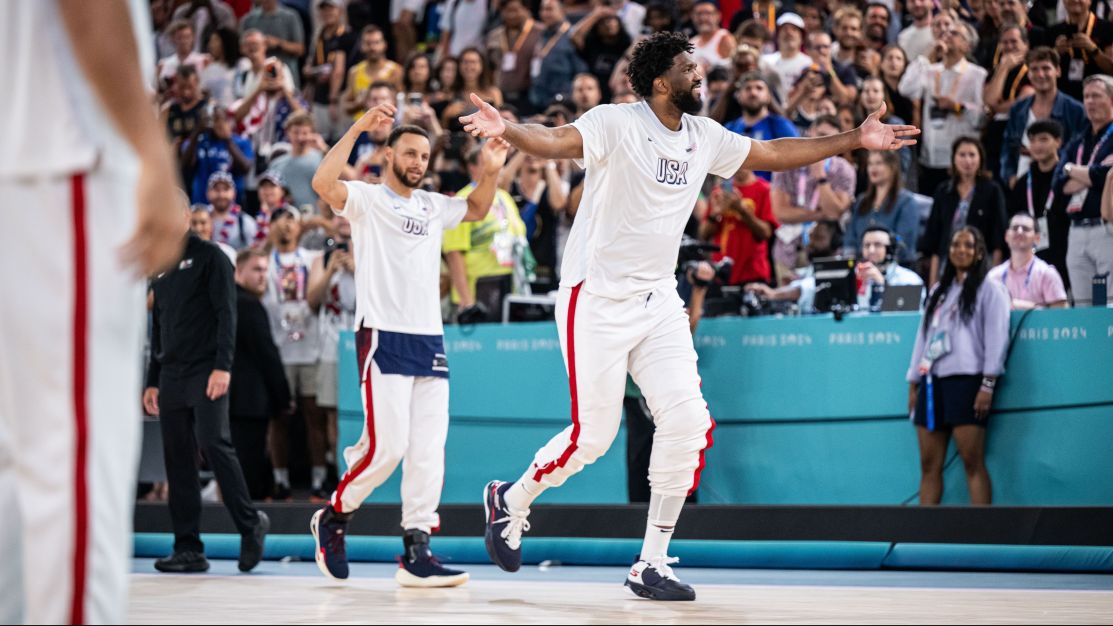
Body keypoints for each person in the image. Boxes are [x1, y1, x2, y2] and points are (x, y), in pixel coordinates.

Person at [457, 31, 917, 601]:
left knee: (689, 423)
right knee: (593, 438)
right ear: (659, 81)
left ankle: (650, 562)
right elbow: (555, 139)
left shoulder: (704, 136)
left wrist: (855, 139)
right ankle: (511, 498)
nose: (700, 75)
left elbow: (772, 155)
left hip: (657, 301)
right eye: (688, 68)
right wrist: (509, 129)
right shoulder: (616, 122)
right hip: (594, 299)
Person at [0, 2, 183, 622]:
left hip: (24, 152)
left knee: (17, 467)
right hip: (62, 154)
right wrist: (150, 146)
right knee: (73, 462)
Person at [309, 106, 511, 585]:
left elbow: (479, 208)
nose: (419, 162)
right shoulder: (365, 198)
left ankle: (417, 550)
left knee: (428, 452)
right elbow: (323, 183)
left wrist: (490, 170)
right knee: (388, 449)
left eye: (424, 155)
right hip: (383, 334)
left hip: (430, 339)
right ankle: (335, 515)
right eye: (410, 153)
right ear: (388, 155)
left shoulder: (433, 205)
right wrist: (357, 127)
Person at [144, 200, 269, 574]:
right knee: (176, 458)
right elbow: (159, 326)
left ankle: (250, 525)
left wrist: (222, 367)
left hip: (206, 369)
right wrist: (153, 380)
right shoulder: (161, 265)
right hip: (171, 374)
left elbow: (226, 315)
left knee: (215, 444)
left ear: (185, 216)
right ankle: (188, 548)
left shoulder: (211, 256)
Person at [907, 226, 1010, 506]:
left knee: (971, 461)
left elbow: (997, 340)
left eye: (967, 245)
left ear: (979, 253)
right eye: (955, 245)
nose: (960, 250)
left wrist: (988, 384)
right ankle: (923, 539)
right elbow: (923, 337)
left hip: (968, 382)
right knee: (929, 465)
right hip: (932, 382)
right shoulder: (939, 291)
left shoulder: (991, 290)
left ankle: (982, 536)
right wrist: (914, 381)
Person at [899, 20, 988, 196]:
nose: (946, 36)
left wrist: (957, 106)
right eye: (945, 33)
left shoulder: (977, 74)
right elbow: (905, 88)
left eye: (954, 34)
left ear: (967, 46)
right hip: (930, 158)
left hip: (960, 161)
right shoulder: (930, 70)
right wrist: (929, 55)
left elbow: (981, 119)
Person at [230, 248, 291, 499]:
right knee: (248, 475)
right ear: (239, 271)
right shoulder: (249, 305)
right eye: (256, 269)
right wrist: (283, 398)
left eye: (265, 270)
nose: (262, 276)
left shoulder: (228, 301)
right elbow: (268, 356)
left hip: (228, 401)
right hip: (248, 403)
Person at [770, 116, 856, 274]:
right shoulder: (787, 163)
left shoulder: (844, 170)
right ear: (809, 133)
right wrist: (820, 214)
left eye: (832, 139)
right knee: (785, 297)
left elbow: (833, 212)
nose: (825, 142)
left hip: (828, 252)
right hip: (788, 252)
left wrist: (821, 178)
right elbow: (781, 213)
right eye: (821, 134)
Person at [921, 137, 1009, 287]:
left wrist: (994, 277)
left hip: (982, 262)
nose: (967, 160)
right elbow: (935, 240)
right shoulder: (943, 191)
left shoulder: (992, 190)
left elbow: (998, 240)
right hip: (947, 263)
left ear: (980, 158)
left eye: (972, 155)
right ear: (953, 159)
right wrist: (933, 284)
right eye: (962, 155)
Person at [1056, 74, 1113, 302]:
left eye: (1096, 96)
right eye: (1086, 97)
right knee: (1082, 304)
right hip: (1077, 229)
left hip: (1107, 228)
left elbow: (1106, 177)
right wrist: (1091, 172)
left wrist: (1074, 170)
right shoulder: (1078, 139)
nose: (1090, 102)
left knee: (1110, 301)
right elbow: (1059, 180)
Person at [1000, 47, 1086, 186]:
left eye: (1046, 68)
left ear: (1058, 71)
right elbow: (1008, 147)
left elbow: (1079, 150)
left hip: (1059, 182)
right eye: (1034, 69)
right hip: (1022, 183)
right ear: (1028, 74)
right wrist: (1010, 177)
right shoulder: (1018, 109)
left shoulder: (1075, 110)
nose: (1040, 74)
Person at [1005, 120, 1072, 290]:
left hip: (1067, 255)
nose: (1037, 145)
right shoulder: (1023, 183)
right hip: (1032, 259)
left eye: (1043, 140)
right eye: (1032, 140)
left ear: (1058, 141)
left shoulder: (1068, 178)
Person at [699, 169, 778, 287]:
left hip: (753, 274)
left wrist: (742, 211)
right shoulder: (719, 192)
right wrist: (715, 214)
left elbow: (766, 234)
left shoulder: (764, 189)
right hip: (720, 273)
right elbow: (703, 235)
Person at [844, 150, 921, 263]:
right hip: (861, 267)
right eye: (870, 164)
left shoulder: (907, 202)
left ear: (892, 167)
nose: (873, 168)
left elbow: (904, 244)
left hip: (895, 269)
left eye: (879, 163)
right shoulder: (861, 201)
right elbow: (850, 239)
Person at [724, 72, 800, 181]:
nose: (753, 93)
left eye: (759, 88)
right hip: (736, 194)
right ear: (739, 96)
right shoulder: (729, 128)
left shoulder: (781, 125)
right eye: (748, 88)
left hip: (770, 194)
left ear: (768, 96)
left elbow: (797, 158)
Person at [989, 214, 1070, 309]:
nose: (1019, 231)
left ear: (1037, 238)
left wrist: (1015, 305)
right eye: (1015, 228)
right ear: (1006, 236)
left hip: (1039, 324)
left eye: (1025, 229)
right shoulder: (993, 276)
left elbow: (1061, 317)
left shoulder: (1047, 274)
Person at [853, 226, 925, 311]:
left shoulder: (909, 279)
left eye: (877, 245)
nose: (871, 250)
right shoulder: (854, 277)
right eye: (867, 245)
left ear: (891, 249)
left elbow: (909, 315)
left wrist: (882, 283)